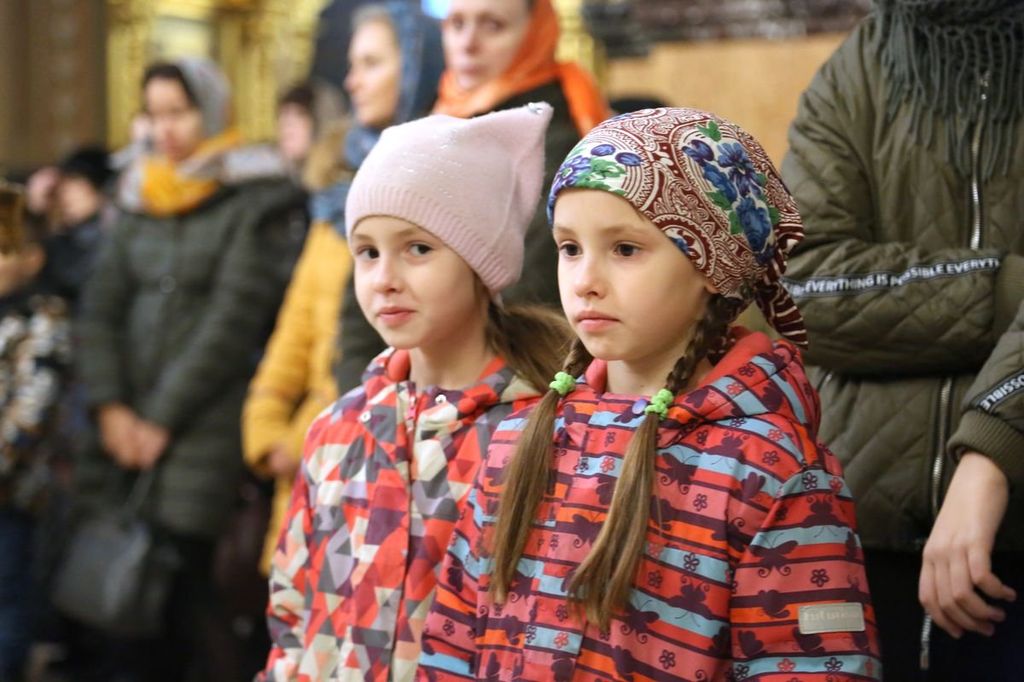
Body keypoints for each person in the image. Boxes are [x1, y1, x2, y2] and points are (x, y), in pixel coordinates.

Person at [420, 108, 881, 681]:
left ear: (712, 264)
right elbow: (450, 641)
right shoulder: (518, 440)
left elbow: (813, 667)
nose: (585, 280)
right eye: (569, 248)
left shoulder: (771, 471)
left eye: (625, 249)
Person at [261, 104, 571, 681]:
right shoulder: (337, 431)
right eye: (367, 252)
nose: (384, 278)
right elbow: (293, 613)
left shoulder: (541, 436)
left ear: (481, 260)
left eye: (418, 249)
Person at [781, 2, 1024, 678]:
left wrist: (989, 454)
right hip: (858, 535)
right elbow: (804, 290)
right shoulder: (856, 69)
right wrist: (1006, 289)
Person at [75, 58, 306, 682]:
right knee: (116, 608)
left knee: (190, 601)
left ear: (212, 111)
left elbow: (231, 323)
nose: (165, 129)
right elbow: (100, 310)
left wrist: (158, 419)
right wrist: (111, 406)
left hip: (203, 427)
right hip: (122, 427)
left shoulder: (253, 197)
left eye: (178, 112)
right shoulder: (137, 196)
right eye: (154, 114)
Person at [242, 0, 445, 580]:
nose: (352, 80)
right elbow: (298, 325)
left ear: (417, 67)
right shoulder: (337, 186)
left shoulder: (440, 187)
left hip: (389, 459)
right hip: (308, 459)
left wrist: (306, 430)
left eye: (372, 63)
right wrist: (266, 423)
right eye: (352, 64)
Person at [334, 0, 610, 392]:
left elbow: (530, 294)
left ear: (537, 32)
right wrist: (364, 399)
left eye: (493, 25)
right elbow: (356, 312)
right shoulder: (429, 128)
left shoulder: (562, 146)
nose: (468, 43)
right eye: (456, 24)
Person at [0, 183, 71, 682]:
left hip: (12, 493)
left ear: (32, 258)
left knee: (8, 595)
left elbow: (34, 407)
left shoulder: (42, 317)